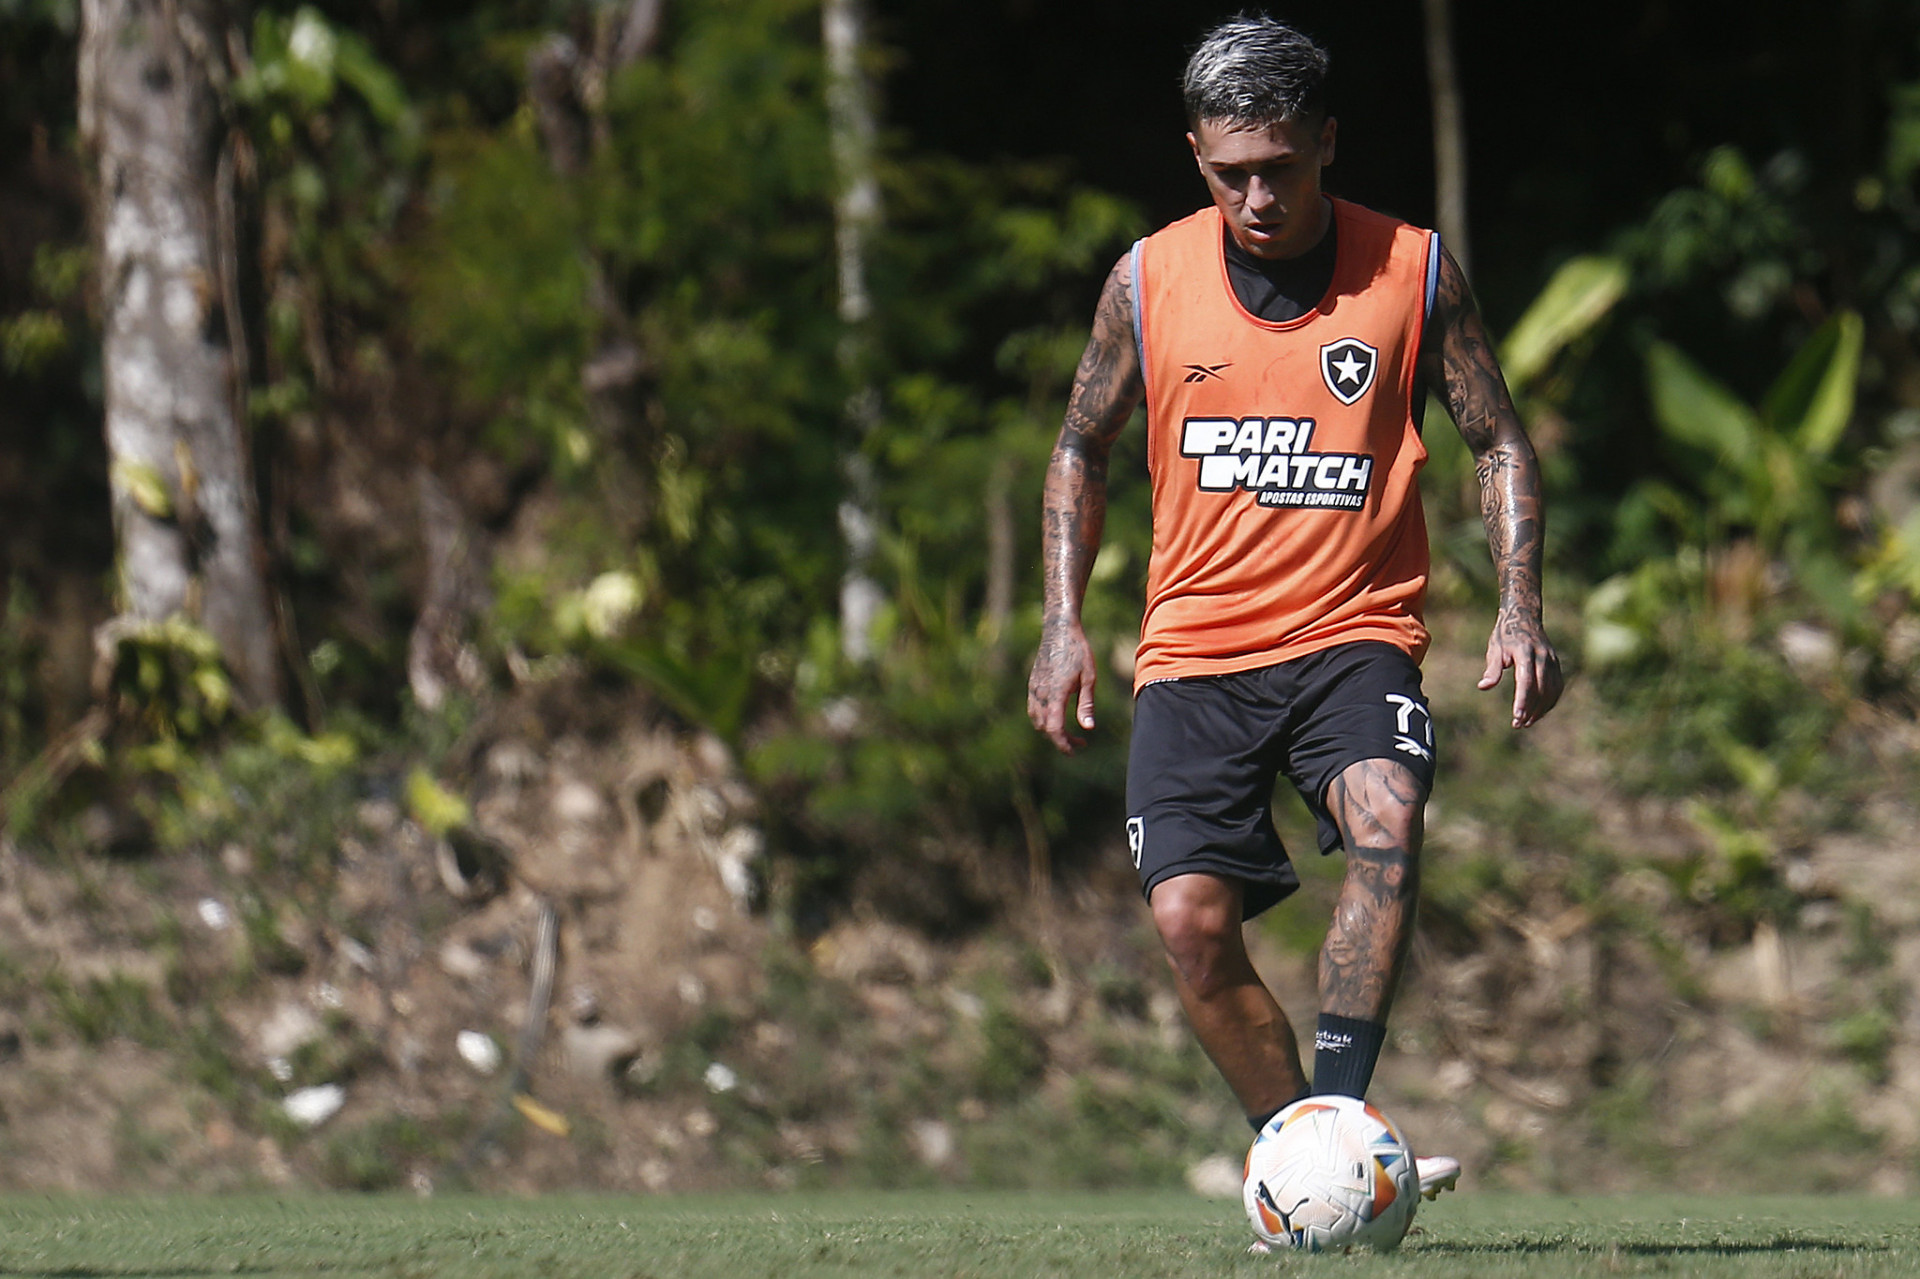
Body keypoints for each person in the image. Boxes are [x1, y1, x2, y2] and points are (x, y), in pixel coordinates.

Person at [1026, 14, 1562, 1201]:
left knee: (1389, 816)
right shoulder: (1148, 282)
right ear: (1196, 156)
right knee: (1190, 926)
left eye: (1279, 167)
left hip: (1351, 635)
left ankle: (1337, 1140)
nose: (1257, 196)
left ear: (1327, 141)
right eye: (1230, 173)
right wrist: (1063, 619)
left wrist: (1520, 605)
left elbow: (1499, 441)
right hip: (1195, 649)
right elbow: (1080, 448)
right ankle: (1315, 1155)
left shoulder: (1411, 271)